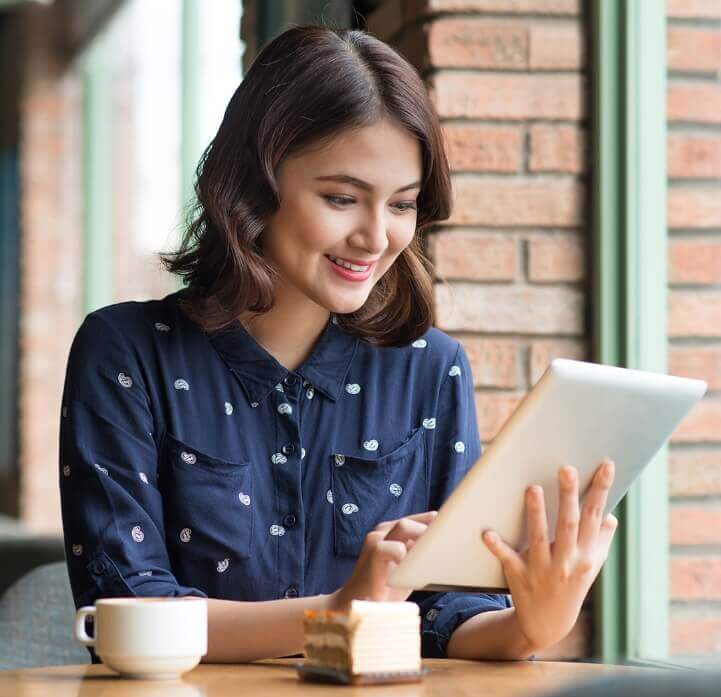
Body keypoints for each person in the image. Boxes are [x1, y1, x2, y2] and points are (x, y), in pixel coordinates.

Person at [59, 25, 617, 663]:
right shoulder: (124, 353)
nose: (376, 237)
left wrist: (532, 625)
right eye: (342, 198)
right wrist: (338, 614)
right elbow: (124, 611)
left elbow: (445, 610)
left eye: (402, 205)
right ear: (253, 184)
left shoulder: (432, 370)